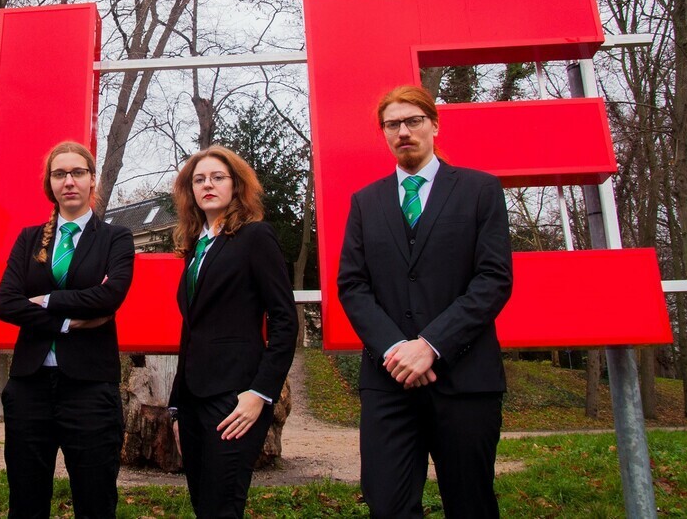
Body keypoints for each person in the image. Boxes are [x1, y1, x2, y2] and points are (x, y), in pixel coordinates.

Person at [337, 85, 513, 519]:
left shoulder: (479, 190)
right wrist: (397, 349)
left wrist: (430, 345)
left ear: (434, 125)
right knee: (388, 506)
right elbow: (352, 285)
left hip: (466, 381)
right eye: (392, 124)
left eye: (412, 121)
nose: (403, 131)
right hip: (388, 382)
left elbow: (493, 279)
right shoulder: (365, 202)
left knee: (471, 505)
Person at [0, 141, 135, 518]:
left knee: (95, 501)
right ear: (50, 183)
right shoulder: (28, 239)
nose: (68, 181)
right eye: (60, 174)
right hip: (29, 386)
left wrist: (45, 300)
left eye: (77, 172)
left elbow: (110, 297)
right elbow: (6, 303)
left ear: (92, 180)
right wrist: (69, 319)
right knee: (25, 501)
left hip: (90, 387)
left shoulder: (115, 238)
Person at [168, 145, 297, 519]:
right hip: (193, 398)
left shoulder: (256, 237)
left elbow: (285, 320)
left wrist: (260, 393)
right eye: (199, 179)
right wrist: (177, 405)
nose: (207, 184)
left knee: (223, 506)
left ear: (236, 185)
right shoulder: (197, 247)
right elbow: (191, 331)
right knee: (203, 506)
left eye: (217, 177)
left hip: (236, 397)